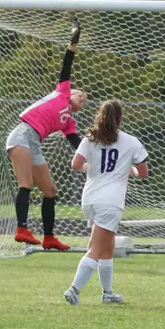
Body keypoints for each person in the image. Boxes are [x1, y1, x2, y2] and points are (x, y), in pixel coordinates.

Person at [5, 20, 87, 251]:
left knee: (50, 191)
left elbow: (76, 143)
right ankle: (22, 229)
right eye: (81, 95)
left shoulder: (69, 121)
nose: (83, 99)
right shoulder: (62, 92)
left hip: (36, 144)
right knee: (26, 184)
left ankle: (49, 238)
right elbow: (66, 65)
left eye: (85, 101)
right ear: (71, 93)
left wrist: (92, 155)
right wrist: (73, 41)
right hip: (23, 134)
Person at [64, 99, 148, 305]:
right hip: (110, 202)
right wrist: (131, 170)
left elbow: (76, 165)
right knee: (96, 249)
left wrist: (91, 167)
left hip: (90, 198)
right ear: (120, 119)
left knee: (107, 247)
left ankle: (107, 293)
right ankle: (74, 289)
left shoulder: (90, 138)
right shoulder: (131, 141)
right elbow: (143, 173)